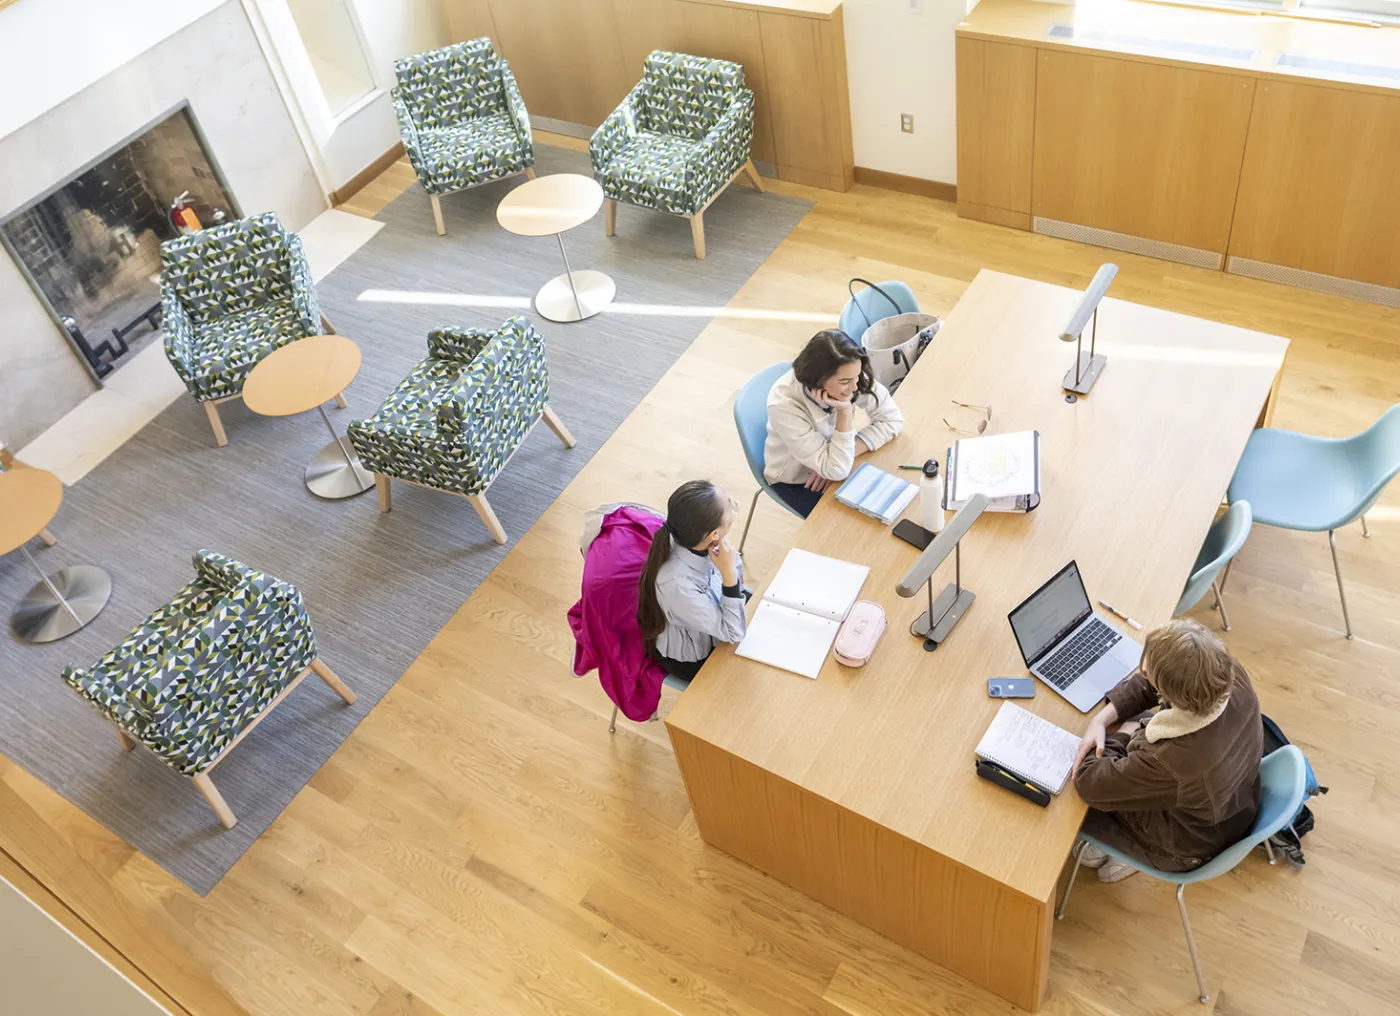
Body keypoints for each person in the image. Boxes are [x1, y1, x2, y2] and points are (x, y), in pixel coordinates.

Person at [1071, 618, 1262, 883]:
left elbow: (1090, 782)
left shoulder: (1173, 761)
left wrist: (1126, 730)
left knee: (1066, 803)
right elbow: (1155, 683)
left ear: (1172, 694)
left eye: (1148, 672)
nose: (1144, 673)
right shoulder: (1225, 673)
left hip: (1185, 845)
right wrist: (1100, 720)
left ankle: (1136, 850)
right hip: (1232, 805)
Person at [762, 329, 904, 517]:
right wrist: (844, 411)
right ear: (818, 379)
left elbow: (892, 419)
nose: (854, 388)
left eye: (857, 376)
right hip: (799, 479)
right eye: (845, 381)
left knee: (895, 498)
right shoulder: (783, 404)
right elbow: (837, 470)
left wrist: (838, 457)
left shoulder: (851, 372)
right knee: (859, 525)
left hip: (833, 461)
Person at [636, 479, 746, 680]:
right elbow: (733, 633)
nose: (733, 504)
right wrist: (729, 575)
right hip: (691, 658)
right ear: (714, 533)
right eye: (729, 504)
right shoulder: (678, 585)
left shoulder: (699, 540)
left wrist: (730, 574)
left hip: (714, 626)